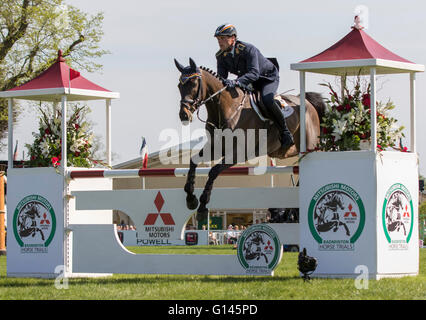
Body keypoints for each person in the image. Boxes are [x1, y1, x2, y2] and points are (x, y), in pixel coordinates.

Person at [214, 23, 294, 149]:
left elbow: (254, 73)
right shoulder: (220, 56)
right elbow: (221, 79)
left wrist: (235, 82)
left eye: (223, 38)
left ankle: (285, 132)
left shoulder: (248, 49)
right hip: (249, 80)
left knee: (267, 99)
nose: (220, 42)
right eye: (218, 39)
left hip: (267, 78)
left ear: (233, 38)